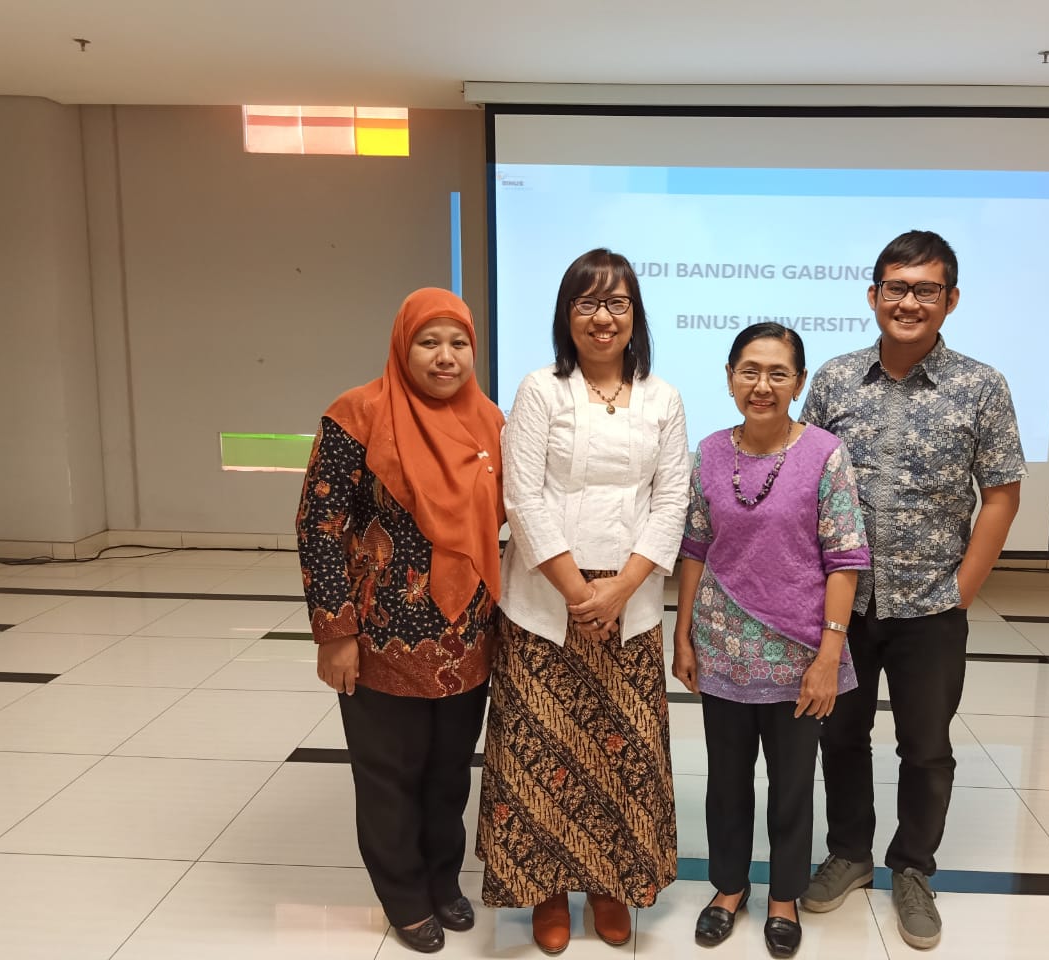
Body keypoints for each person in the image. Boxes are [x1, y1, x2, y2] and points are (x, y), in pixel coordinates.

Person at [798, 231, 1026, 949]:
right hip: (844, 604)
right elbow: (805, 483)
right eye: (896, 288)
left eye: (926, 290)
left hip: (931, 604)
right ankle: (848, 854)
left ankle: (914, 868)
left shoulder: (981, 386)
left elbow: (1001, 494)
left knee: (926, 747)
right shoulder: (834, 380)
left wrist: (962, 589)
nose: (909, 302)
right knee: (840, 734)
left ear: (950, 300)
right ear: (873, 295)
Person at [477, 249, 690, 954]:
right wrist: (577, 593)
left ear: (635, 315)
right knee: (541, 748)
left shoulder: (663, 397)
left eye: (617, 303)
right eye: (587, 303)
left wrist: (620, 589)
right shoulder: (541, 389)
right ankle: (543, 886)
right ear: (567, 316)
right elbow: (523, 497)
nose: (603, 317)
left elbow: (671, 502)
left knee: (620, 750)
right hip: (546, 599)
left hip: (630, 602)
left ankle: (609, 881)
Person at [296, 288, 505, 954]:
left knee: (449, 772)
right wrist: (335, 633)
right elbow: (319, 526)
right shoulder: (357, 415)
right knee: (388, 774)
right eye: (428, 342)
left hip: (467, 634)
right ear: (402, 345)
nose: (446, 357)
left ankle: (442, 880)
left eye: (458, 343)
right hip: (380, 633)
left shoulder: (490, 422)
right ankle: (404, 895)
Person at [673, 323, 870, 959]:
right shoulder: (708, 451)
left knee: (791, 785)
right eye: (749, 371)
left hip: (799, 654)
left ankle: (784, 897)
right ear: (730, 377)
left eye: (778, 373)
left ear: (799, 382)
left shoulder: (826, 454)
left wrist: (829, 656)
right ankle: (728, 888)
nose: (762, 385)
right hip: (722, 647)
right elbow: (695, 547)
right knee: (726, 780)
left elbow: (846, 559)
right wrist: (683, 633)